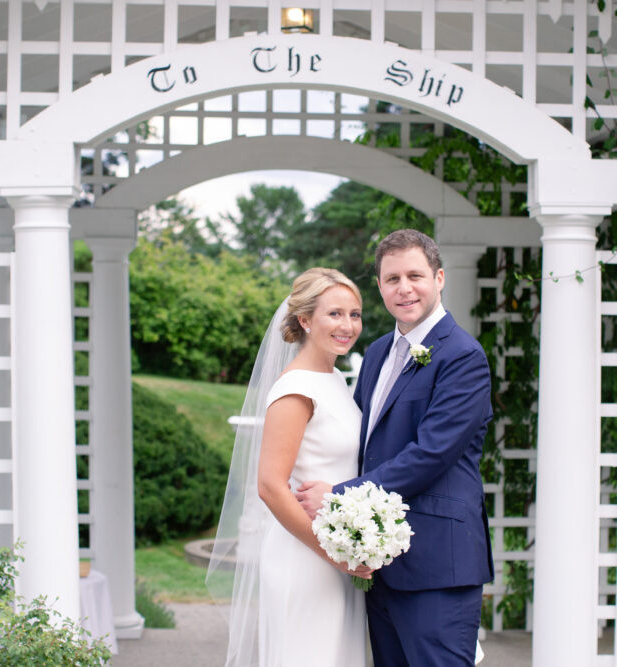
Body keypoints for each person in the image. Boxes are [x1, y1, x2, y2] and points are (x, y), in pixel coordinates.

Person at [297, 229, 494, 666]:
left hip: (437, 565)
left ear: (439, 278)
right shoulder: (379, 351)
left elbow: (432, 454)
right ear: (381, 287)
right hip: (380, 562)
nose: (404, 288)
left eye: (415, 276)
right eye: (391, 279)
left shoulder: (463, 356)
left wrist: (339, 495)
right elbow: (362, 442)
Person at [207, 267, 372, 667]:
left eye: (354, 314)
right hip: (306, 558)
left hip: (339, 555)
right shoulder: (295, 388)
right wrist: (336, 555)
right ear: (304, 319)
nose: (347, 325)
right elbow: (270, 486)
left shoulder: (333, 378)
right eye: (334, 314)